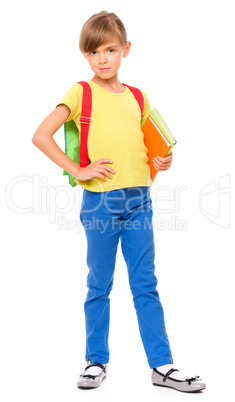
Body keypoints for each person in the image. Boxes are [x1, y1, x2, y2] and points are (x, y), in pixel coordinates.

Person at [32, 11, 206, 393]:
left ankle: (162, 366)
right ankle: (96, 360)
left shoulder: (139, 98)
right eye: (93, 53)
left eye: (110, 50)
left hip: (140, 201)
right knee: (100, 284)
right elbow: (41, 135)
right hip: (100, 204)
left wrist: (164, 160)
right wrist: (78, 171)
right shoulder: (80, 92)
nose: (103, 59)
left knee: (146, 284)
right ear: (86, 57)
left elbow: (153, 149)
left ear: (126, 49)